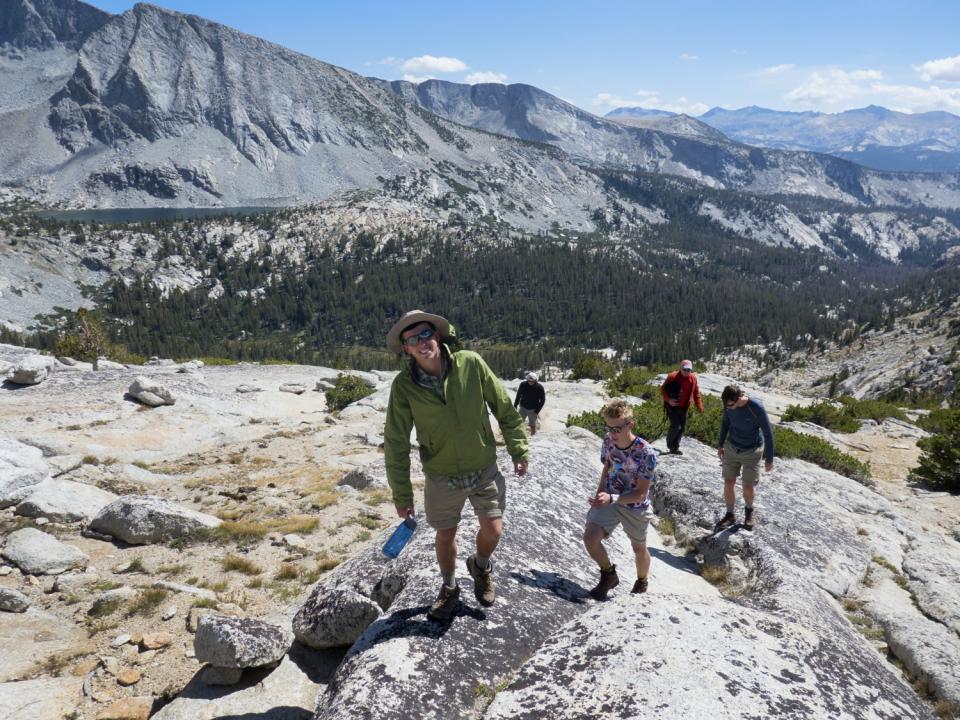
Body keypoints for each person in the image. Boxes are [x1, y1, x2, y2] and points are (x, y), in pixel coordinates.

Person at [383, 310, 529, 621]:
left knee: (494, 529)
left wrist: (518, 447)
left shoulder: (470, 363)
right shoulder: (404, 386)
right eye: (413, 339)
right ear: (405, 349)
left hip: (483, 466)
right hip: (441, 474)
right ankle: (449, 587)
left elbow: (502, 405)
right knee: (445, 535)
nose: (422, 343)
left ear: (437, 335)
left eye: (426, 334)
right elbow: (396, 441)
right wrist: (402, 494)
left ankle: (480, 564)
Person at [583, 399, 658, 600]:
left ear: (630, 425)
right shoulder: (608, 441)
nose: (612, 433)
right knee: (590, 538)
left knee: (638, 547)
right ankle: (608, 575)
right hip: (608, 497)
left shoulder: (646, 453)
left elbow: (641, 493)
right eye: (608, 428)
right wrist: (600, 493)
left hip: (634, 505)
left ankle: (642, 581)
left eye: (616, 429)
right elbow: (607, 467)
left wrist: (612, 498)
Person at [715, 384, 774, 532]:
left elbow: (768, 432)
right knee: (729, 482)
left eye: (730, 405)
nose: (727, 408)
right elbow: (725, 423)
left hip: (752, 450)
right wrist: (720, 444)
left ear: (739, 398)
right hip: (732, 447)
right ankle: (730, 514)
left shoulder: (755, 407)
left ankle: (749, 512)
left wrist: (769, 459)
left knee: (748, 485)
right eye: (726, 405)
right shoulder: (728, 404)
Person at [659, 359, 703, 455]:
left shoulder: (693, 378)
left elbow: (696, 393)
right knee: (676, 426)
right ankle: (670, 445)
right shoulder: (672, 376)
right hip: (672, 407)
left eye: (689, 370)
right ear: (681, 368)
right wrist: (669, 400)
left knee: (682, 428)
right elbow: (663, 389)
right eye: (685, 369)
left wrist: (699, 405)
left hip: (684, 408)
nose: (687, 372)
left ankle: (675, 448)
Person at [514, 371, 546, 436]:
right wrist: (515, 405)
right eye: (529, 381)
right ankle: (519, 435)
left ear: (536, 380)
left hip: (533, 409)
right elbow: (518, 395)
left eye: (532, 381)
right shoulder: (523, 385)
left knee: (532, 424)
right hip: (523, 407)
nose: (530, 382)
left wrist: (537, 411)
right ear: (527, 379)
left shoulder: (540, 387)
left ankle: (533, 436)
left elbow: (542, 400)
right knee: (519, 422)